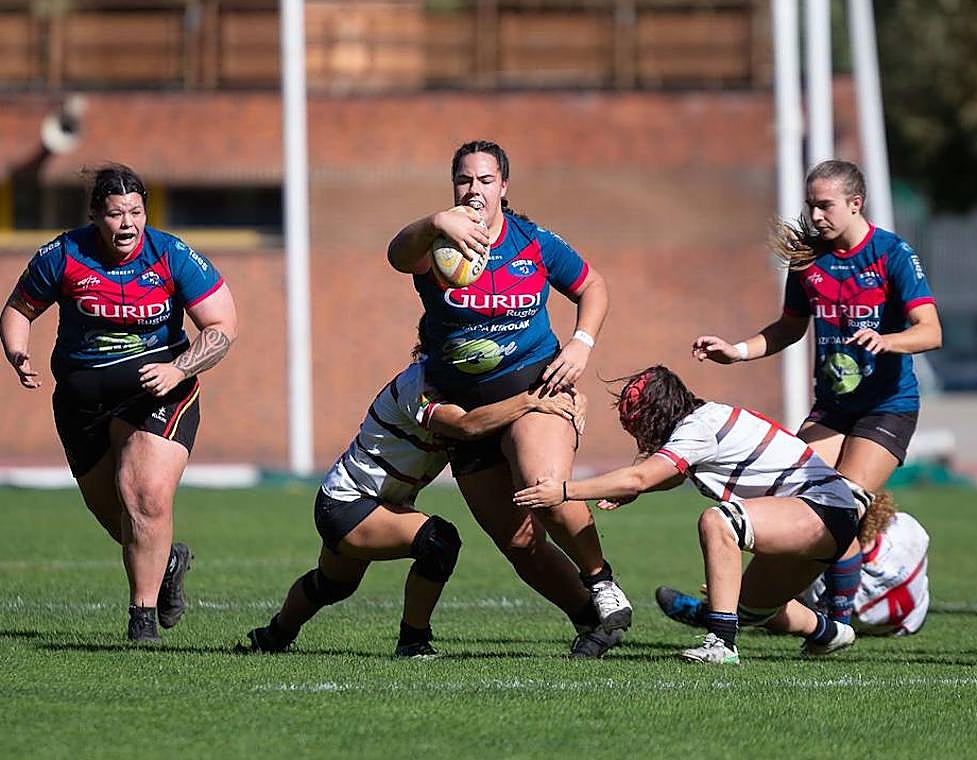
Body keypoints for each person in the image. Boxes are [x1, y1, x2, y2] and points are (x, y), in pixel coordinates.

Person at [386, 140, 631, 658]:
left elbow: (594, 287)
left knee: (542, 487)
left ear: (504, 187)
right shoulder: (434, 243)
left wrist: (582, 344)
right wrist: (436, 222)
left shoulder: (532, 241)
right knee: (518, 542)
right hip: (467, 410)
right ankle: (594, 621)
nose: (474, 190)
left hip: (535, 389)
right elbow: (395, 255)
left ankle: (601, 578)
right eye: (464, 180)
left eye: (485, 180)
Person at [691, 159, 941, 626]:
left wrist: (887, 340)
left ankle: (835, 616)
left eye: (825, 206)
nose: (816, 215)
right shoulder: (808, 262)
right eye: (811, 206)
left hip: (887, 407)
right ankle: (746, 608)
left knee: (841, 503)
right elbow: (788, 328)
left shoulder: (892, 254)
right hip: (832, 406)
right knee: (796, 497)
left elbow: (930, 332)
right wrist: (738, 350)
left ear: (855, 203)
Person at [0, 163, 237, 643]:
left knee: (143, 493)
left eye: (136, 212)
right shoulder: (63, 254)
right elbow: (18, 310)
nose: (127, 223)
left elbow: (222, 327)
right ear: (95, 215)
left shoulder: (171, 255)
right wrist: (17, 351)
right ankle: (168, 560)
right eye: (115, 214)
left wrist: (180, 368)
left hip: (159, 390)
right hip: (81, 403)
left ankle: (141, 621)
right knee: (116, 513)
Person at [515, 365, 871, 665]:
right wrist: (631, 493)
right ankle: (831, 633)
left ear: (657, 414)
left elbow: (640, 477)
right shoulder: (702, 421)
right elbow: (664, 478)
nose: (637, 432)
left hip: (822, 507)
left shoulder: (699, 426)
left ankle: (721, 644)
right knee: (748, 609)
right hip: (819, 518)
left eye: (637, 422)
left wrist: (563, 491)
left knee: (720, 521)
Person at [240, 353, 583, 657]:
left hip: (377, 502)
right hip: (348, 503)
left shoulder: (466, 388)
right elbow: (468, 425)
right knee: (439, 541)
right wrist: (530, 402)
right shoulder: (417, 385)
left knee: (333, 585)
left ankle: (273, 636)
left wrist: (575, 399)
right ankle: (412, 641)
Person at [656, 491, 930, 638]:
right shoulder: (909, 530)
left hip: (861, 618)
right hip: (910, 620)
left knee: (767, 603)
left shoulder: (821, 574)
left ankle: (713, 612)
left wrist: (733, 590)